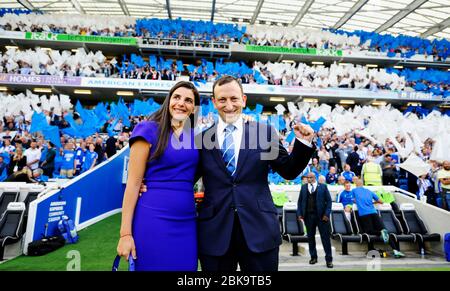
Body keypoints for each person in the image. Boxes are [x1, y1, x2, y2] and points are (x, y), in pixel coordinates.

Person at [194, 75, 315, 271]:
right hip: (215, 232)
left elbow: (289, 170)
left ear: (243, 99)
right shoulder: (201, 140)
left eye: (234, 98)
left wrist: (303, 143)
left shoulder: (264, 133)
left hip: (259, 230)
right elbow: (186, 178)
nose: (229, 105)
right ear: (214, 102)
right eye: (222, 100)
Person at [117, 81, 200, 271]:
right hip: (153, 218)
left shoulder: (195, 137)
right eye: (177, 97)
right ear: (168, 100)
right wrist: (125, 234)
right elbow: (133, 183)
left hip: (187, 222)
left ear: (194, 109)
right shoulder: (147, 130)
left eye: (188, 100)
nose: (181, 103)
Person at [352, 179, 405, 258]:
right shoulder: (369, 191)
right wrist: (372, 203)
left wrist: (359, 202)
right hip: (374, 212)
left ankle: (379, 233)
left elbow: (354, 200)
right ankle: (395, 250)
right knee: (385, 231)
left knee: (369, 231)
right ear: (363, 184)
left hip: (364, 214)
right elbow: (381, 201)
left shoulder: (354, 190)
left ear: (356, 184)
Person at [297, 172, 333, 268]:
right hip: (308, 216)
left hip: (322, 217)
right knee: (310, 238)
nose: (308, 179)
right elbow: (300, 201)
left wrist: (326, 214)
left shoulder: (323, 187)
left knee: (325, 238)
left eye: (310, 177)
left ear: (314, 178)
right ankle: (313, 257)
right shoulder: (304, 187)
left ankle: (329, 260)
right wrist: (300, 213)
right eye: (307, 178)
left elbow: (329, 201)